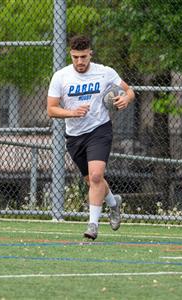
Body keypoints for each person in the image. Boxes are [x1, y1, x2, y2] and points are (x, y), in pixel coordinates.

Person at [46, 35, 135, 240]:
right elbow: (51, 110)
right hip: (75, 136)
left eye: (84, 57)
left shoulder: (105, 72)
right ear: (71, 55)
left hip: (99, 130)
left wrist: (125, 99)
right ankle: (114, 203)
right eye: (76, 57)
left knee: (96, 176)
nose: (80, 61)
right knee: (91, 181)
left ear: (90, 54)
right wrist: (72, 113)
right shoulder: (61, 77)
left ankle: (92, 225)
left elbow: (129, 91)